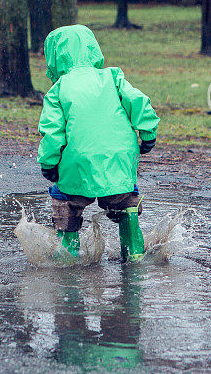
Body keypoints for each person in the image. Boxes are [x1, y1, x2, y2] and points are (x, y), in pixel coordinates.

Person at [38, 25, 159, 262]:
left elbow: (52, 133)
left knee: (66, 200)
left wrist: (49, 164)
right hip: (118, 159)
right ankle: (133, 248)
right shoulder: (113, 77)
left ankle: (68, 254)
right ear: (93, 49)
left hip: (77, 164)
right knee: (124, 198)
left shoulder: (59, 89)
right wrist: (147, 133)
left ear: (54, 57)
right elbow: (139, 102)